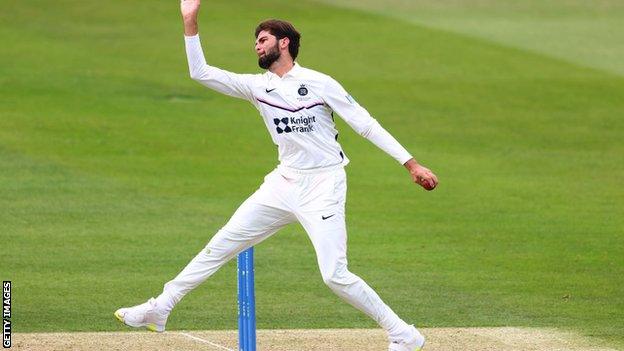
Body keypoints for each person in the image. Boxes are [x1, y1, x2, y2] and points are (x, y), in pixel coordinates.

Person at [114, 0, 438, 350]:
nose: (257, 45)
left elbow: (366, 124)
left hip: (324, 184)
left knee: (334, 275)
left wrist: (411, 164)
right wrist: (189, 21)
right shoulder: (257, 87)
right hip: (284, 183)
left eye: (264, 39)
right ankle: (161, 307)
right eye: (256, 40)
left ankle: (403, 333)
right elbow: (201, 73)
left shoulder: (319, 82)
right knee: (221, 244)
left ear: (284, 43)